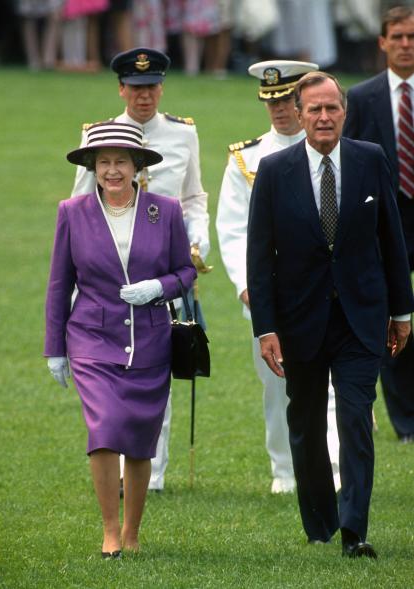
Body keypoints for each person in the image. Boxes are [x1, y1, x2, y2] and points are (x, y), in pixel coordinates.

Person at [247, 71, 414, 558]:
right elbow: (260, 257)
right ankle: (319, 520)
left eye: (332, 108)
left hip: (362, 318)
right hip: (300, 323)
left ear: (345, 112)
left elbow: (392, 240)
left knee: (357, 420)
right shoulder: (274, 171)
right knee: (306, 422)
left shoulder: (370, 159)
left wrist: (402, 311)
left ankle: (353, 529)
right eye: (314, 109)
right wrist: (267, 328)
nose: (323, 117)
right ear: (298, 115)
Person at [45, 121, 196, 557]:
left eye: (121, 162)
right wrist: (55, 349)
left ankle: (132, 533)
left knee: (139, 438)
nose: (112, 170)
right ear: (93, 167)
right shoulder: (72, 211)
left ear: (137, 167)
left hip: (151, 339)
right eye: (104, 162)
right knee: (106, 429)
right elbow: (59, 283)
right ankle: (110, 531)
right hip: (92, 337)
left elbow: (184, 272)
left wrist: (158, 288)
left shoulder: (164, 210)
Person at [71, 47, 210, 492]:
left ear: (161, 88)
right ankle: (115, 464)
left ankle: (153, 473)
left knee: (160, 368)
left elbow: (194, 196)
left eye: (150, 88)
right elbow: (80, 206)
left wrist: (198, 235)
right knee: (111, 374)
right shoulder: (99, 134)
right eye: (135, 88)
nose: (143, 96)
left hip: (163, 265)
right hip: (109, 273)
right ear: (121, 89)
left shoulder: (183, 133)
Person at [216, 59, 340, 494]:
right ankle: (285, 470)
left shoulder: (335, 149)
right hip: (271, 292)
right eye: (271, 102)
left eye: (287, 100)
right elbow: (232, 228)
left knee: (330, 380)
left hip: (324, 288)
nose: (280, 110)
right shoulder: (247, 158)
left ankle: (334, 468)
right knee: (278, 384)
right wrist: (246, 286)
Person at [343, 5, 414, 443]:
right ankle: (406, 421)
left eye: (413, 37)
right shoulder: (363, 97)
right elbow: (350, 161)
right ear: (383, 42)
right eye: (399, 37)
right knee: (394, 320)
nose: (406, 45)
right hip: (387, 223)